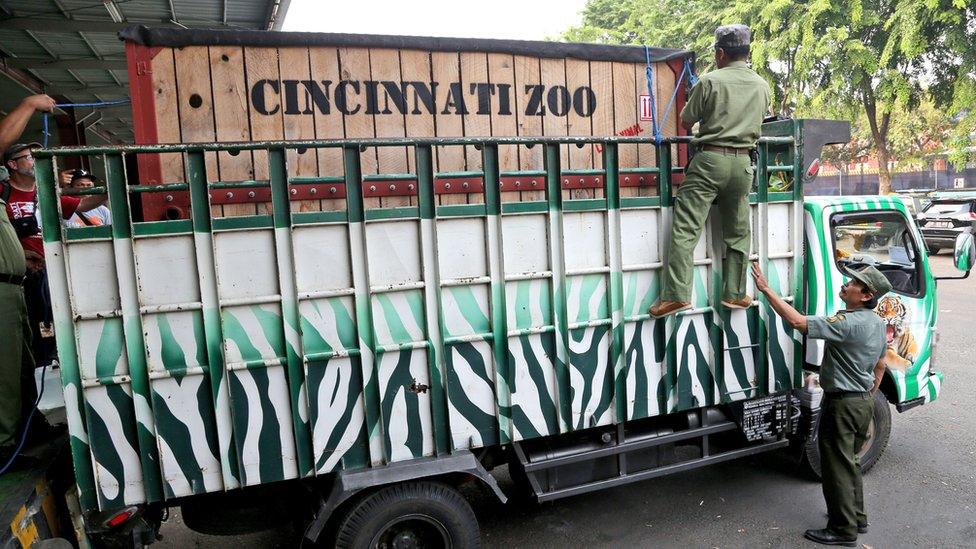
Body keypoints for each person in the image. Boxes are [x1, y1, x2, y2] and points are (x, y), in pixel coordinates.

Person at [751, 261, 891, 547]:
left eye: (852, 283)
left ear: (865, 295)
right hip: (863, 400)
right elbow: (880, 365)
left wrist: (766, 289)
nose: (846, 285)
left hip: (844, 403)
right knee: (849, 460)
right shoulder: (877, 323)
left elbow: (797, 322)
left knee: (836, 465)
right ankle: (856, 517)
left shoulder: (848, 323)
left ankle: (843, 530)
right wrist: (867, 394)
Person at [649, 24, 771, 318]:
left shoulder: (709, 81)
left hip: (710, 161)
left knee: (686, 228)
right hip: (744, 164)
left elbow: (684, 120)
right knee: (739, 232)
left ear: (720, 53)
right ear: (747, 52)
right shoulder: (762, 85)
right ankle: (735, 293)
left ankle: (677, 295)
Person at [0, 94, 55, 469]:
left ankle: (25, 429)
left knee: (21, 364)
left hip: (13, 286)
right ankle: (4, 444)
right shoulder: (7, 191)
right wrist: (30, 104)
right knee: (4, 369)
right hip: (2, 288)